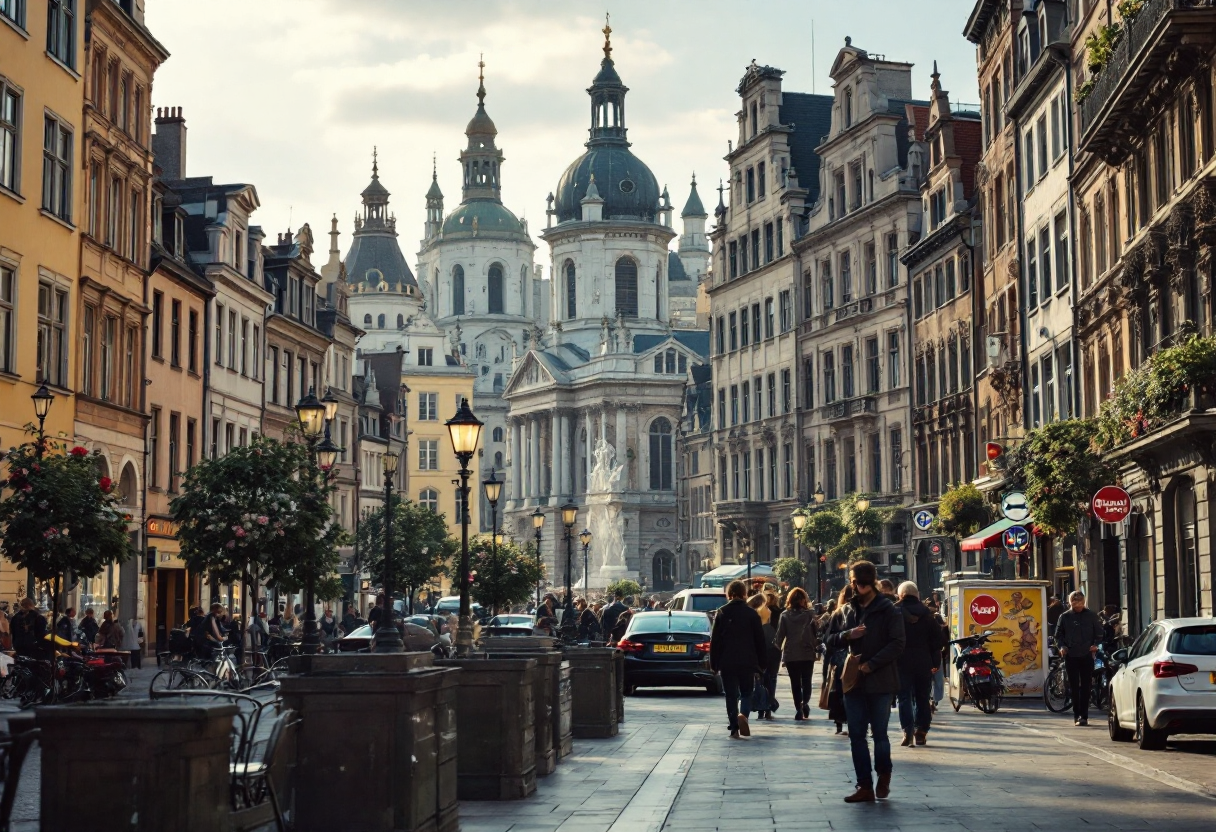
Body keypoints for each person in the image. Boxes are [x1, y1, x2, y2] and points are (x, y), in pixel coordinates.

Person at [822, 561, 905, 803]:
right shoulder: (847, 610)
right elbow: (828, 638)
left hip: (880, 680)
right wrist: (848, 635)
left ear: (864, 583)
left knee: (879, 733)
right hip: (852, 681)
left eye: (854, 582)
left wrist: (872, 664)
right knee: (857, 734)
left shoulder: (889, 610)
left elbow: (898, 643)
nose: (852, 586)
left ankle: (884, 775)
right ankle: (864, 785)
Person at [709, 580, 768, 739]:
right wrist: (762, 663)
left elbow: (715, 641)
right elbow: (759, 640)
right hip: (747, 660)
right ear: (744, 594)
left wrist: (714, 664)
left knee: (731, 694)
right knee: (747, 692)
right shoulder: (752, 614)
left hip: (727, 661)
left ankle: (734, 727)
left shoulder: (721, 612)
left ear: (729, 594)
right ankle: (744, 715)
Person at [895, 582, 941, 747]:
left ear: (900, 595)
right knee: (922, 697)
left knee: (904, 697)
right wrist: (935, 662)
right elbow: (937, 641)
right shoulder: (928, 614)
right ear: (917, 595)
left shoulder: (894, 612)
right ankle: (921, 731)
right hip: (923, 661)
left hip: (901, 662)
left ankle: (907, 730)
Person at [1053, 590, 1104, 727]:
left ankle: (1084, 716)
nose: (1078, 605)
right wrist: (1062, 647)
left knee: (1086, 686)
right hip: (1071, 655)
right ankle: (1077, 715)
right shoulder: (1064, 617)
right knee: (1074, 686)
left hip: (1087, 654)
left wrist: (1095, 645)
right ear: (1071, 603)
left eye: (1080, 602)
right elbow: (1058, 635)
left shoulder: (1091, 616)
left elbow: (1100, 633)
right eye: (1075, 603)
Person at [775, 587, 818, 721]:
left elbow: (779, 636)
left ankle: (798, 708)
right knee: (806, 681)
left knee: (795, 683)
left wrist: (777, 649)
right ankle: (804, 702)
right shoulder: (810, 615)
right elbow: (817, 632)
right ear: (804, 600)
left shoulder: (784, 615)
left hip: (791, 653)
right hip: (807, 652)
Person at [820, 585, 853, 734]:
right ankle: (855, 721)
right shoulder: (864, 612)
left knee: (839, 690)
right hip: (855, 657)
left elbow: (829, 639)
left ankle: (839, 722)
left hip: (840, 658)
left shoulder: (838, 613)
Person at [747, 594, 781, 720]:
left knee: (759, 678)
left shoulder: (751, 613)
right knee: (771, 678)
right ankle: (768, 706)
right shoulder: (773, 612)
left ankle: (762, 706)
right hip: (773, 648)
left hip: (758, 649)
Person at [925, 599, 948, 709]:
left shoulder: (922, 622)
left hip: (926, 655)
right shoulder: (936, 622)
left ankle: (931, 699)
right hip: (935, 654)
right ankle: (934, 700)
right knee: (937, 679)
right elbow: (942, 640)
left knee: (930, 679)